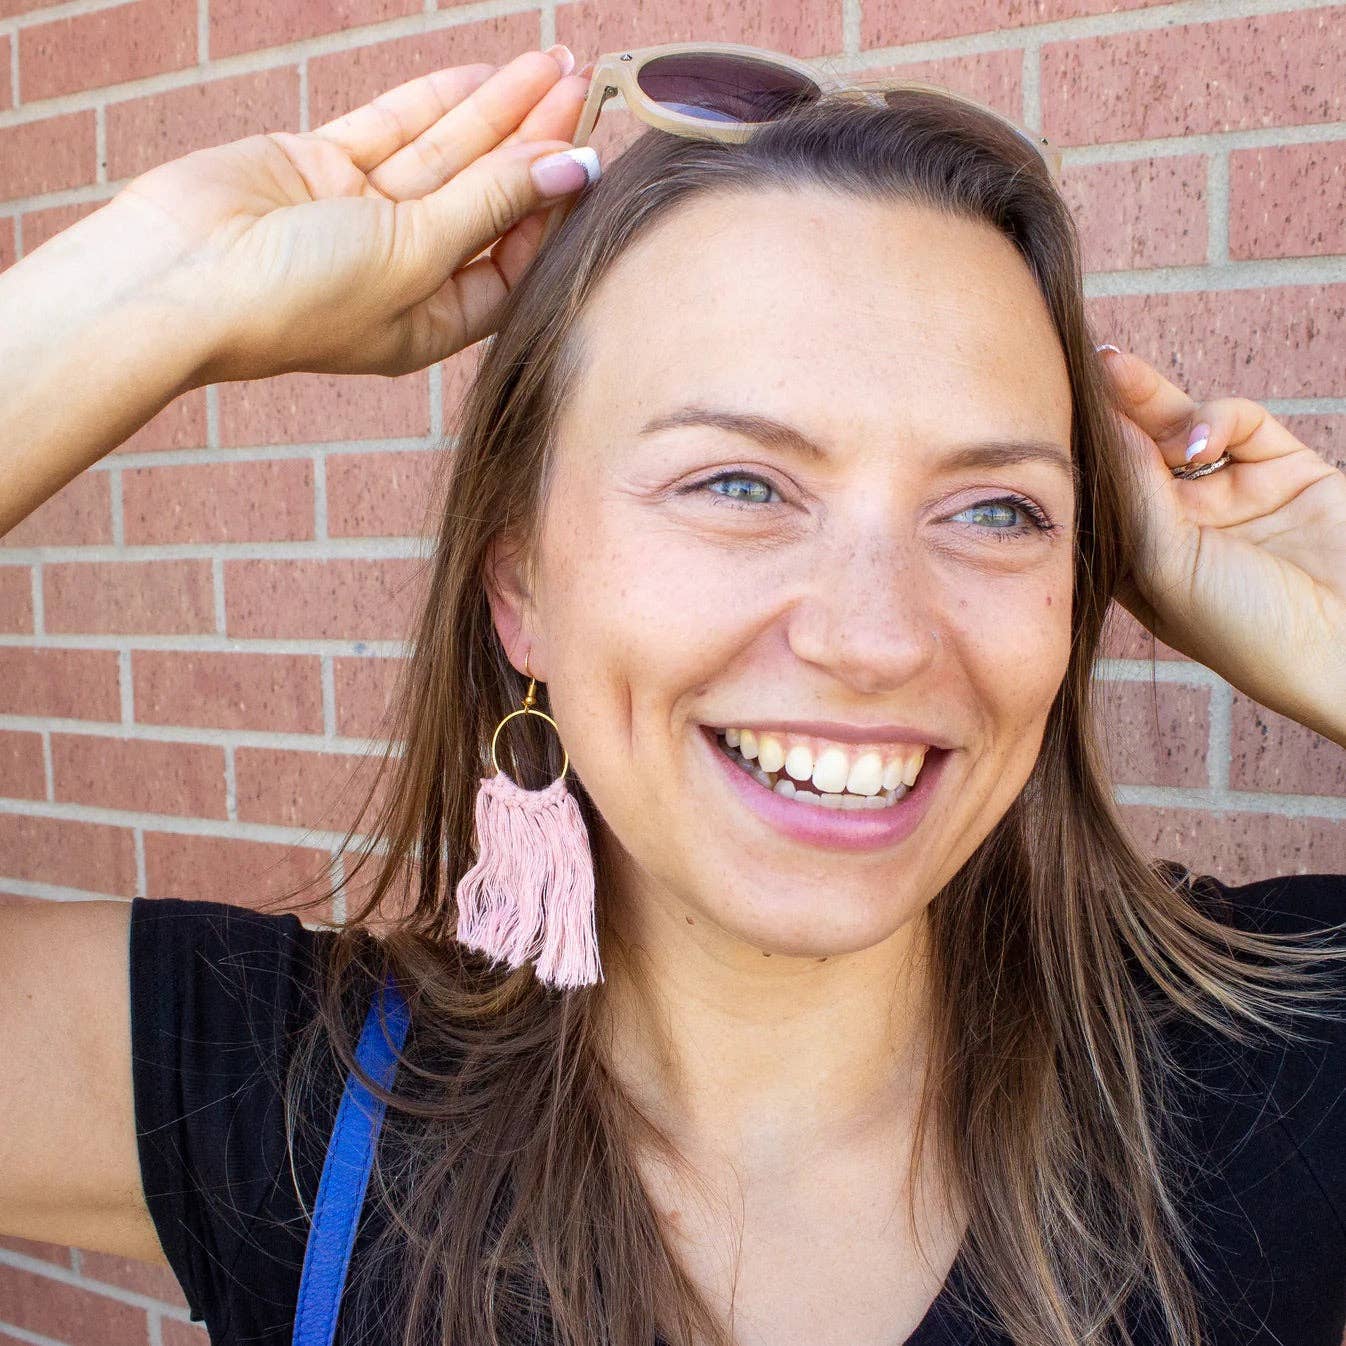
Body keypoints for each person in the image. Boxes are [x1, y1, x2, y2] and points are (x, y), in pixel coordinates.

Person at [2, 39, 1346, 1346]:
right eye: (739, 484)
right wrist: (156, 289)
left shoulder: (1264, 1065)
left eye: (996, 508)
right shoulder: (298, 1108)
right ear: (518, 582)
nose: (874, 638)